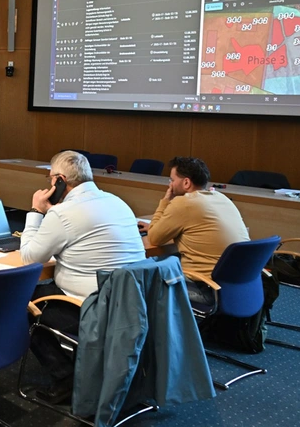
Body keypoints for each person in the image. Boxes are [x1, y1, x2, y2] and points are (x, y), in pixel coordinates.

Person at [20, 150, 145, 403]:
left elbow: (30, 258)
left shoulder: (63, 214)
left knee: (18, 303)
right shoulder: (117, 202)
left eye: (50, 179)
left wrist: (35, 211)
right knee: (41, 291)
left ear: (60, 180)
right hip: (133, 305)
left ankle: (65, 378)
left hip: (92, 308)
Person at [139, 156, 249, 305]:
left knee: (143, 279)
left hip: (206, 288)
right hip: (241, 285)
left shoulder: (185, 202)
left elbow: (154, 238)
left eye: (172, 180)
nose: (170, 184)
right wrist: (156, 226)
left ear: (186, 182)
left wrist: (165, 201)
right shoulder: (221, 197)